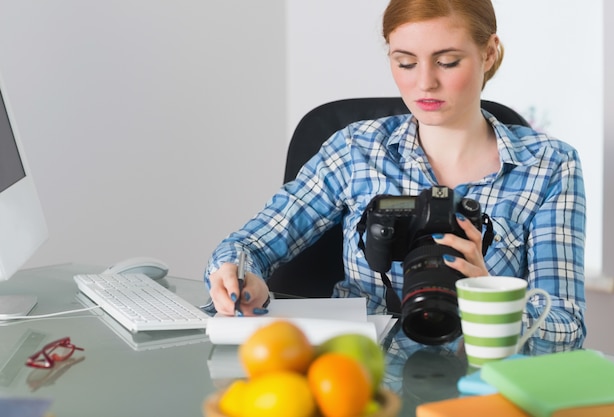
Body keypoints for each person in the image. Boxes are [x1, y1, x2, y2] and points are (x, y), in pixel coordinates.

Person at [205, 0, 586, 354]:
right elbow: (249, 245)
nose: (425, 83)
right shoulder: (356, 149)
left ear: (488, 53)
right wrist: (237, 276)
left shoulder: (549, 165)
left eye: (448, 62)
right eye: (405, 63)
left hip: (478, 385)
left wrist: (486, 298)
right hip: (355, 375)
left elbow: (566, 329)